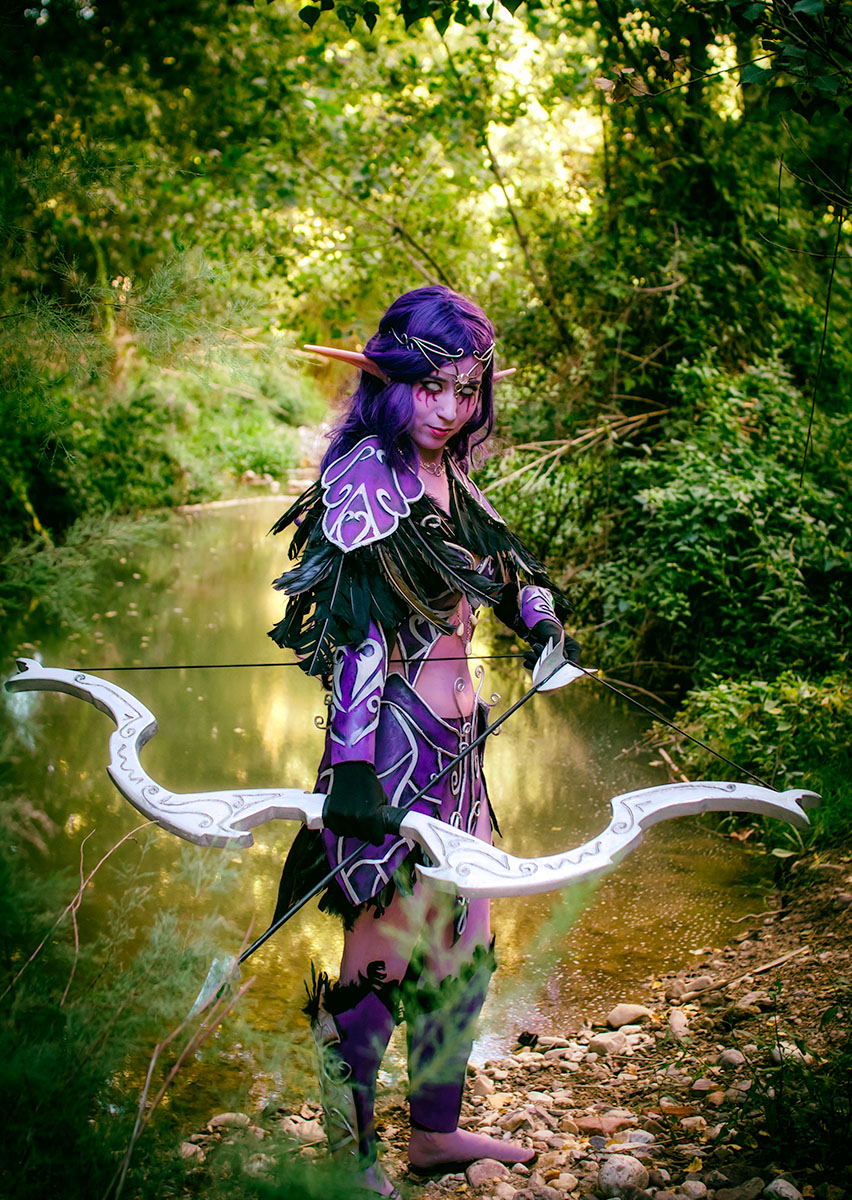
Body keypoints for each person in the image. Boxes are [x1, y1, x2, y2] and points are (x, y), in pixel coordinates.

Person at [268, 286, 579, 1198]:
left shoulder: (448, 473)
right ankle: (353, 1160)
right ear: (392, 381)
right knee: (383, 954)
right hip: (390, 752)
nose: (448, 409)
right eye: (430, 388)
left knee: (464, 940)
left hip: (461, 746)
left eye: (466, 390)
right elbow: (356, 633)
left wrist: (541, 619)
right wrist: (351, 768)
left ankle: (435, 1133)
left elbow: (503, 566)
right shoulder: (368, 474)